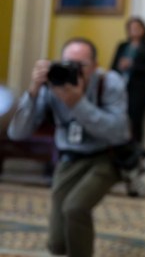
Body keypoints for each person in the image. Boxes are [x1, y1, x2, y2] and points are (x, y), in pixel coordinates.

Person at [7, 37, 131, 257]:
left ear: (95, 66)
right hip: (69, 158)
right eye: (67, 63)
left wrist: (77, 103)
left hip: (106, 157)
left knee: (75, 207)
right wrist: (34, 91)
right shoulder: (53, 82)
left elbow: (119, 132)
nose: (73, 70)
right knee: (57, 242)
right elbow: (17, 132)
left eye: (80, 65)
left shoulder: (110, 82)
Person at [110, 16, 145, 147]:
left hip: (139, 89)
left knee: (136, 121)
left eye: (137, 28)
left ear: (143, 30)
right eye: (132, 28)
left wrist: (132, 65)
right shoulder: (122, 46)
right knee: (119, 119)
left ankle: (136, 154)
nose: (135, 31)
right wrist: (121, 66)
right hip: (120, 87)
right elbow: (113, 67)